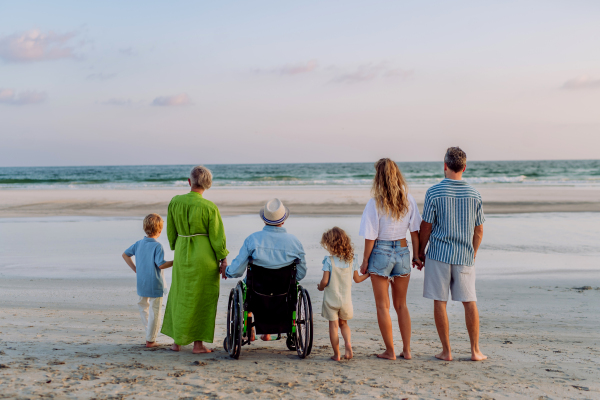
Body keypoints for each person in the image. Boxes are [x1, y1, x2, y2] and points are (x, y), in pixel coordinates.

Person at [417, 147, 487, 361]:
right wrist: (472, 253)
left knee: (440, 301)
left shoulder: (434, 192)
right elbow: (479, 230)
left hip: (438, 254)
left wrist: (420, 252)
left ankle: (447, 351)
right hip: (464, 255)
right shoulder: (475, 194)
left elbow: (426, 227)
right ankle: (475, 351)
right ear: (464, 167)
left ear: (445, 165)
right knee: (469, 301)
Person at [161, 166, 229, 354]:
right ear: (208, 185)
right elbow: (217, 237)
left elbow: (171, 232)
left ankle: (177, 342)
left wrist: (178, 245)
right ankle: (198, 345)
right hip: (204, 256)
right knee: (203, 298)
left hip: (182, 252)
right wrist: (223, 259)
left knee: (180, 295)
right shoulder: (209, 207)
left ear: (189, 182)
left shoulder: (175, 202)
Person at [359, 158, 422, 360]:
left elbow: (371, 236)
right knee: (401, 304)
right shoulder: (408, 199)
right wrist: (416, 255)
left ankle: (390, 351)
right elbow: (414, 232)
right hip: (403, 250)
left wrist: (365, 260)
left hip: (380, 251)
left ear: (378, 178)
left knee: (382, 305)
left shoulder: (374, 203)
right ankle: (407, 350)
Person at [224, 198, 307, 341]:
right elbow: (301, 273)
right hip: (284, 292)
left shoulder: (253, 239)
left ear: (264, 220)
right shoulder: (295, 242)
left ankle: (251, 324)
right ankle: (269, 332)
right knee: (289, 288)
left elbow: (236, 270)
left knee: (245, 288)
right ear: (283, 220)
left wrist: (227, 271)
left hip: (257, 292)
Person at [317, 227, 370, 361]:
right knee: (344, 324)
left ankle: (337, 354)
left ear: (330, 245)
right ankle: (347, 343)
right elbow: (357, 279)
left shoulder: (329, 260)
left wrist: (320, 287)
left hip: (331, 300)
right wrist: (369, 274)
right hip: (346, 301)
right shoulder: (352, 260)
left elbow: (324, 281)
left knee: (333, 327)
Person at [122, 213, 173, 348]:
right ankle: (150, 340)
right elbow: (161, 264)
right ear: (160, 231)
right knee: (155, 311)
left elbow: (125, 254)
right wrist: (175, 262)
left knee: (144, 307)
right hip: (155, 284)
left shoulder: (139, 243)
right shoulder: (157, 246)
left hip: (142, 283)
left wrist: (135, 269)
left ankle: (148, 333)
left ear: (145, 228)